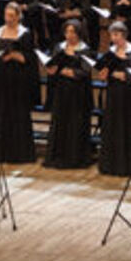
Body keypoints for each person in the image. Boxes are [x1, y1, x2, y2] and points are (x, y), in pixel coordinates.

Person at [42, 18, 94, 169]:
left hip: (78, 93)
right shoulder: (59, 47)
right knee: (60, 121)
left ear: (79, 33)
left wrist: (66, 71)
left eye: (72, 32)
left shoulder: (85, 49)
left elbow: (85, 71)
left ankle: (75, 158)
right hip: (61, 91)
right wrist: (52, 70)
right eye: (67, 31)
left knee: (75, 123)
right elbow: (52, 67)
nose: (69, 35)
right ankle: (57, 156)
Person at [0, 1, 37, 163]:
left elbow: (29, 58)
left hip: (18, 78)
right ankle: (0, 151)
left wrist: (15, 56)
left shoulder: (25, 33)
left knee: (17, 113)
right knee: (0, 111)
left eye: (11, 16)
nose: (8, 19)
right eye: (6, 15)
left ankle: (19, 153)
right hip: (2, 77)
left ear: (18, 17)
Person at [97, 20, 131, 177]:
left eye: (116, 34)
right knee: (113, 126)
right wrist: (107, 74)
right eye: (111, 35)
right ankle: (111, 164)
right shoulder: (110, 53)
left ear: (124, 35)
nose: (114, 38)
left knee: (127, 127)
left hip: (129, 96)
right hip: (113, 94)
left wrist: (121, 75)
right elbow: (103, 74)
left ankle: (129, 165)